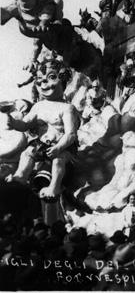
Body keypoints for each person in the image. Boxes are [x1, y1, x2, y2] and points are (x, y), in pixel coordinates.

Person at [5, 60, 79, 202]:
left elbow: (71, 134)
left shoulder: (67, 108)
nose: (43, 83)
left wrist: (58, 147)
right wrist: (13, 122)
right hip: (41, 144)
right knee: (27, 153)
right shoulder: (38, 106)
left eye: (51, 77)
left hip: (63, 146)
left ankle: (54, 186)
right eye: (40, 79)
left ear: (62, 79)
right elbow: (25, 124)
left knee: (59, 160)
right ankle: (20, 176)